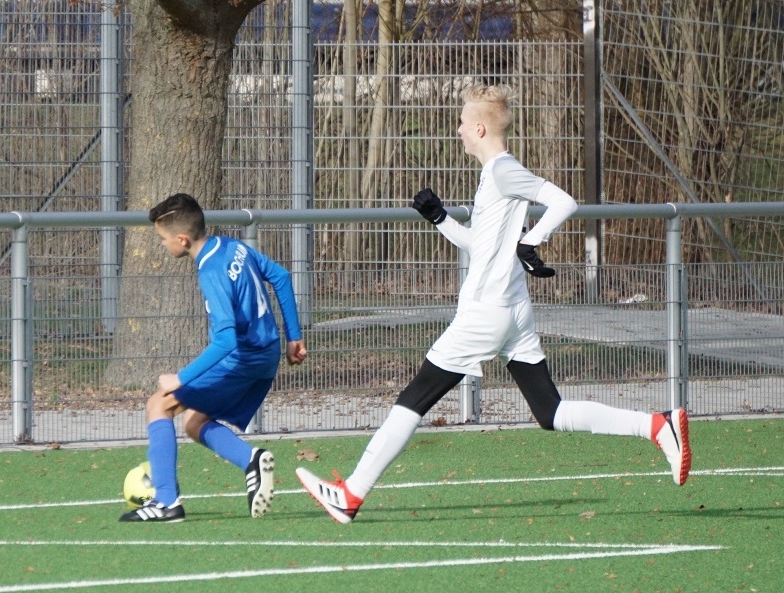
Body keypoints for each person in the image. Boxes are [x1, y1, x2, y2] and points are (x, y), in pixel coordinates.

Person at [295, 84, 690, 524]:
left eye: (463, 122)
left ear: (480, 128)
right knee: (550, 411)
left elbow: (564, 202)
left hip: (487, 313)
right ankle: (657, 426)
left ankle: (350, 494)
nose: (459, 130)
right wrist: (440, 219)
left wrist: (531, 240)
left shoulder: (503, 170)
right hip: (513, 310)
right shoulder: (494, 175)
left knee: (413, 398)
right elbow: (481, 248)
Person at [120, 193, 307, 522]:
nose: (162, 244)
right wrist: (294, 336)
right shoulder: (231, 246)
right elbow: (280, 275)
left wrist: (180, 378)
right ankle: (251, 460)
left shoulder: (210, 272)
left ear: (182, 239)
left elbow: (225, 340)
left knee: (158, 404)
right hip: (267, 352)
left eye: (162, 239)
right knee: (194, 423)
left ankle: (165, 503)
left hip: (243, 357)